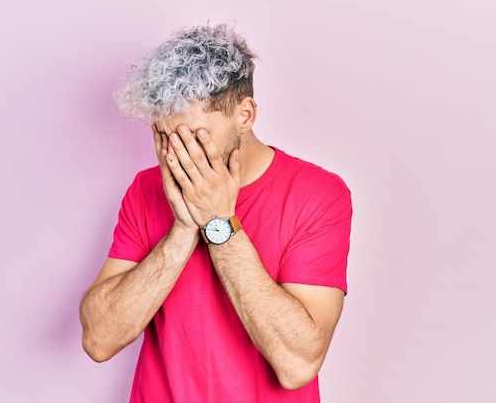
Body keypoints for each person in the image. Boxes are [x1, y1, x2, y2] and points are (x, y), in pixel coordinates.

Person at [79, 24, 352, 403]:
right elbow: (99, 339)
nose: (176, 154)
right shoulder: (146, 189)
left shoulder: (318, 194)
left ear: (245, 114)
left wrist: (218, 222)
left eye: (192, 136)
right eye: (164, 135)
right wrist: (183, 229)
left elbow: (298, 365)